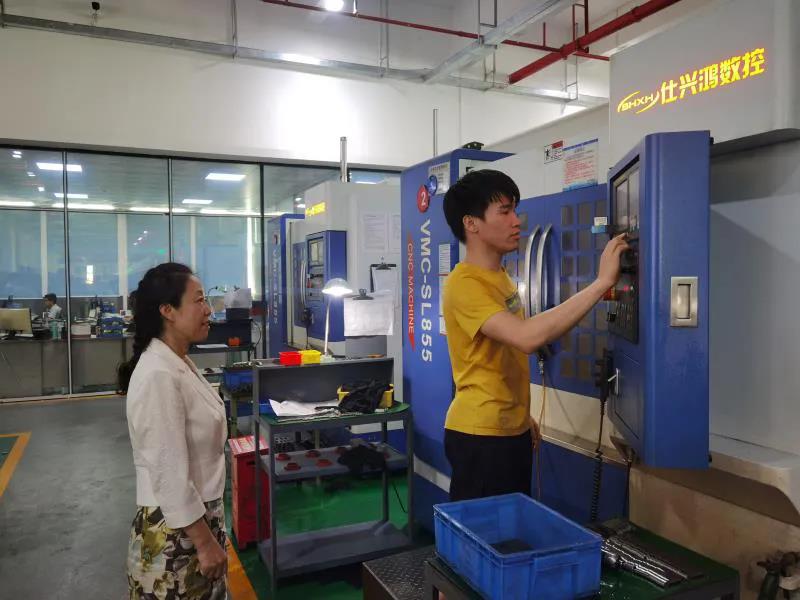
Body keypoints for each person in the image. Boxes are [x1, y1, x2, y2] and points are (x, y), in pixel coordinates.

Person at [441, 169, 628, 501]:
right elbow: (526, 337)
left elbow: (498, 360)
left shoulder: (500, 277)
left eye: (515, 210)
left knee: (511, 526)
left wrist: (520, 417)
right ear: (471, 223)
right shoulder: (464, 284)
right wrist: (601, 284)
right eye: (504, 211)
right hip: (480, 434)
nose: (517, 221)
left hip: (510, 429)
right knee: (486, 530)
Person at [118, 263, 228, 599]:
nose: (208, 310)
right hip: (175, 537)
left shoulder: (176, 362)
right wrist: (204, 544)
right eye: (199, 300)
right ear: (168, 311)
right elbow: (168, 471)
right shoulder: (158, 375)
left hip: (194, 522)